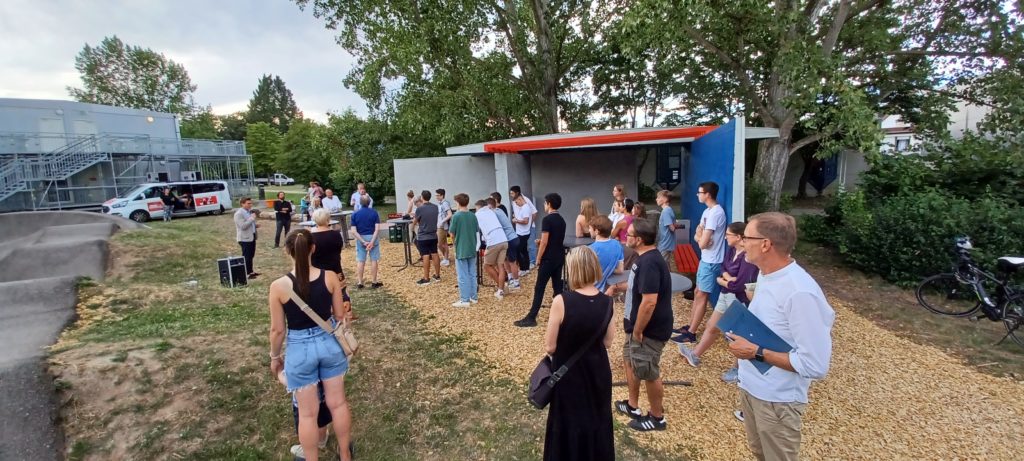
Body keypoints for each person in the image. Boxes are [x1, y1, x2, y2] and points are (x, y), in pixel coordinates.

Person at [724, 212, 835, 461]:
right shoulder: (765, 275)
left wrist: (756, 352)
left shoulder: (800, 293)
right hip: (752, 388)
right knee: (760, 453)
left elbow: (815, 365)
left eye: (747, 238)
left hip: (778, 399)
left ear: (766, 244)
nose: (742, 243)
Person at [268, 229, 353, 461]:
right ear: (313, 249)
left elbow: (277, 330)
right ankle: (345, 455)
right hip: (329, 344)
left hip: (299, 348)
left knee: (307, 414)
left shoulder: (279, 286)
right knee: (338, 403)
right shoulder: (330, 277)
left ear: (288, 251)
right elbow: (338, 314)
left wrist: (274, 357)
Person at [542, 246, 616, 461]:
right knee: (597, 421)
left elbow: (550, 346)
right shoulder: (607, 302)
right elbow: (608, 342)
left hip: (568, 374)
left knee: (568, 423)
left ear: (573, 269)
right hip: (598, 372)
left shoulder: (561, 301)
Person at [677, 222, 759, 376]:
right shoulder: (731, 250)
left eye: (728, 234)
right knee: (712, 326)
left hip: (738, 300)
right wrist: (728, 279)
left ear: (738, 237)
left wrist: (723, 281)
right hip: (725, 294)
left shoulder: (747, 258)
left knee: (739, 335)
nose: (725, 237)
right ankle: (695, 355)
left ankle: (738, 370)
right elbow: (723, 268)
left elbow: (739, 285)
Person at [615, 218, 673, 432]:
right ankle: (632, 405)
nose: (625, 236)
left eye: (629, 234)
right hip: (635, 328)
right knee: (630, 362)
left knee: (649, 371)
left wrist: (638, 330)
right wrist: (618, 288)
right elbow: (636, 287)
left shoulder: (649, 263)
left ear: (639, 239)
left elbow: (649, 302)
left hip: (648, 330)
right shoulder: (644, 258)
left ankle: (657, 418)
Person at [672, 182, 727, 344]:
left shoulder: (716, 213)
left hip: (711, 262)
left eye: (700, 192)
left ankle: (691, 333)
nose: (697, 195)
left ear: (708, 194)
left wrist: (701, 239)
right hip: (706, 259)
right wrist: (700, 238)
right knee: (697, 292)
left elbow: (703, 243)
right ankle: (690, 326)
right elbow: (698, 233)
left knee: (702, 295)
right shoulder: (707, 211)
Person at [515, 193, 566, 328]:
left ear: (549, 204)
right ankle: (563, 314)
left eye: (545, 203)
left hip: (548, 258)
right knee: (557, 286)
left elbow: (545, 242)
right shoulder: (561, 220)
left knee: (540, 287)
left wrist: (538, 257)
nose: (544, 205)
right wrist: (541, 242)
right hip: (559, 256)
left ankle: (532, 316)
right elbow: (555, 239)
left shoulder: (547, 220)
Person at [309, 209, 353, 320]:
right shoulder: (336, 235)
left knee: (321, 296)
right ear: (328, 219)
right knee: (341, 293)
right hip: (335, 269)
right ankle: (346, 316)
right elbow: (339, 249)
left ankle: (325, 316)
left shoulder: (310, 238)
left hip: (318, 272)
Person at [448, 193, 479, 307]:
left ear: (458, 202)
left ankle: (464, 299)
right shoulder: (473, 215)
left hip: (461, 248)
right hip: (472, 247)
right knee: (472, 273)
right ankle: (473, 296)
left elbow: (452, 233)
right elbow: (476, 230)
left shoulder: (456, 216)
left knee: (462, 275)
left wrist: (454, 243)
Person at [476, 199, 509, 299]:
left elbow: (478, 230)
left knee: (486, 265)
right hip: (504, 239)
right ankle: (501, 289)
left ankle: (501, 288)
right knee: (500, 265)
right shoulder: (491, 211)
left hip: (493, 241)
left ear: (479, 207)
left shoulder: (478, 215)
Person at [350, 195, 382, 289]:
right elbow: (377, 229)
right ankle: (374, 281)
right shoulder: (374, 213)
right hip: (373, 236)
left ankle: (360, 282)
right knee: (374, 259)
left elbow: (353, 231)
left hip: (361, 238)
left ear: (360, 202)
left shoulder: (355, 214)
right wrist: (372, 241)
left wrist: (363, 241)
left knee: (361, 260)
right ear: (369, 202)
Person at [490, 198, 521, 290]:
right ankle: (511, 278)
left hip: (510, 239)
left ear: (489, 206)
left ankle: (516, 283)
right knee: (505, 260)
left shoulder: (495, 213)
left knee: (512, 262)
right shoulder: (498, 210)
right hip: (508, 239)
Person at [587, 215, 623, 293]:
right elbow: (620, 270)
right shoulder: (617, 244)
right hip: (607, 290)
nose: (589, 230)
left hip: (590, 290)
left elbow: (585, 274)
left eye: (590, 228)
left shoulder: (589, 250)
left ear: (596, 231)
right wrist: (609, 268)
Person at [413, 190, 441, 285]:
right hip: (433, 234)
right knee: (435, 253)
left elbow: (415, 220)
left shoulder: (420, 209)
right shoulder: (435, 207)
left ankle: (426, 278)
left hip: (423, 235)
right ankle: (437, 275)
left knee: (425, 255)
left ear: (422, 197)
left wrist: (413, 227)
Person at [509, 186, 537, 276]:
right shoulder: (517, 203)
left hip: (524, 231)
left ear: (518, 195)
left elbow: (527, 219)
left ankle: (525, 267)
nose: (516, 203)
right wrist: (515, 217)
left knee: (520, 249)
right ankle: (526, 267)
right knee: (524, 249)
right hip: (520, 230)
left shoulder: (526, 205)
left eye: (512, 193)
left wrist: (519, 221)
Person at [234, 197, 260, 279]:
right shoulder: (239, 214)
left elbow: (248, 223)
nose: (250, 205)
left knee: (251, 255)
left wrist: (255, 226)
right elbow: (243, 226)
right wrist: (252, 218)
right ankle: (246, 274)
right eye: (248, 203)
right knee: (246, 256)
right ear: (242, 204)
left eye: (251, 203)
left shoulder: (248, 212)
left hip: (251, 237)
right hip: (244, 238)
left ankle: (251, 271)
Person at [655, 191, 677, 272]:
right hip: (665, 242)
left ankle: (666, 280)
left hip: (665, 243)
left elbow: (672, 227)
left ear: (665, 199)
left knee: (661, 263)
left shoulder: (666, 211)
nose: (656, 199)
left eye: (658, 197)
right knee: (665, 262)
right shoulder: (668, 210)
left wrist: (673, 226)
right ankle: (670, 277)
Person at [436, 188, 454, 267]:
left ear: (442, 195)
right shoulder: (440, 203)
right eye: (436, 195)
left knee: (441, 244)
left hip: (443, 227)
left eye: (437, 195)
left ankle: (446, 259)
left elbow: (450, 214)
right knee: (444, 243)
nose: (436, 197)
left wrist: (442, 221)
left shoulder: (445, 203)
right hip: (440, 226)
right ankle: (446, 258)